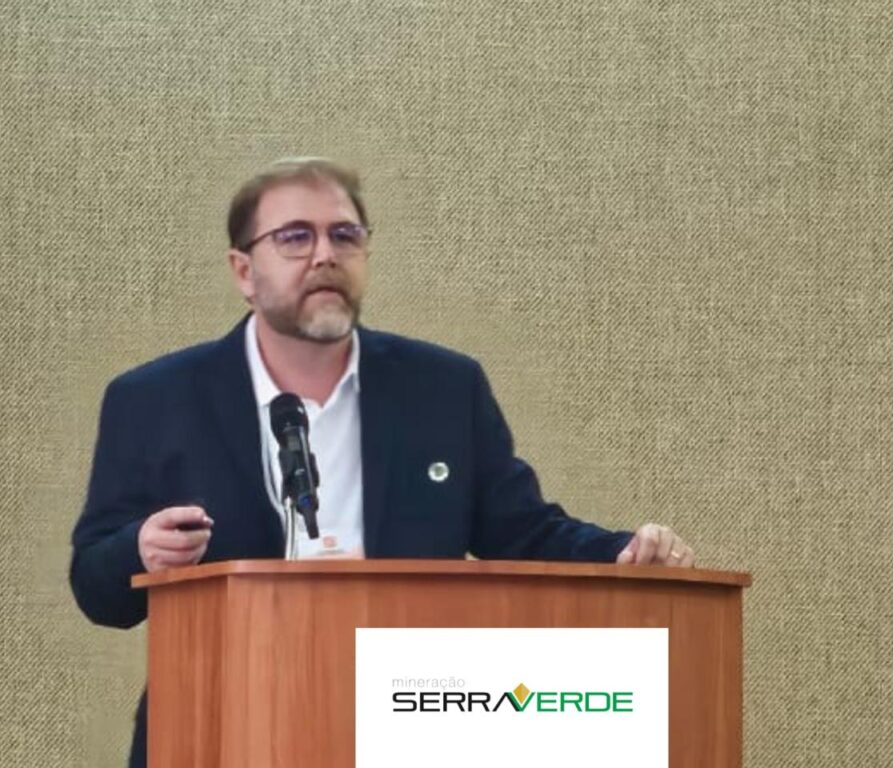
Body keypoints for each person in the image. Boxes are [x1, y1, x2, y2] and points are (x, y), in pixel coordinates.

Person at [70, 157, 696, 767]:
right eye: (295, 237)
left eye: (345, 235)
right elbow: (96, 587)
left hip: (404, 725)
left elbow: (521, 532)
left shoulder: (442, 388)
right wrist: (140, 551)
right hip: (219, 727)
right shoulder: (155, 399)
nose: (325, 255)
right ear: (244, 271)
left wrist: (622, 552)